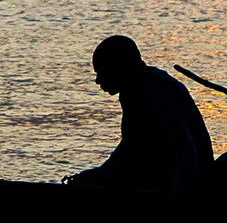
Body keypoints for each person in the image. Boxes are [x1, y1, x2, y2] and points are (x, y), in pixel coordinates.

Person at [67, 35, 214, 191]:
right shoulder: (147, 85)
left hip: (185, 184)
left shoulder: (151, 95)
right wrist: (96, 174)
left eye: (101, 72)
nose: (97, 80)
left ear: (119, 67)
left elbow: (180, 152)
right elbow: (130, 149)